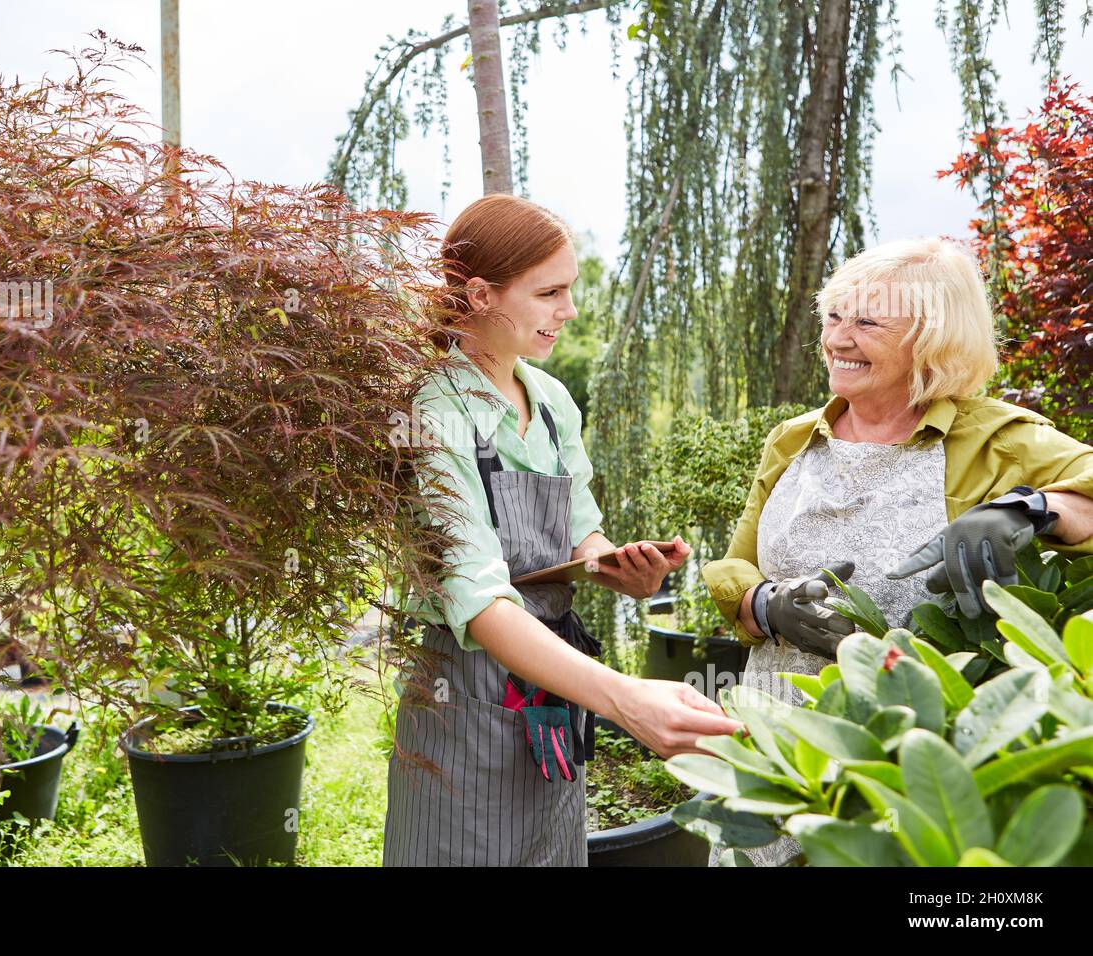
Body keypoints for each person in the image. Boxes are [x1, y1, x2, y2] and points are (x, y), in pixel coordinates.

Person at [701, 235, 1093, 866]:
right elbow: (733, 564)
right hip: (778, 748)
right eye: (833, 316)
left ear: (933, 339)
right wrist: (761, 602)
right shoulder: (794, 440)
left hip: (916, 751)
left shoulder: (997, 441)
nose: (837, 338)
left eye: (867, 321)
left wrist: (1035, 509)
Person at [382, 194, 742, 867]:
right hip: (463, 697)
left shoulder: (551, 403)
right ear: (482, 295)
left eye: (569, 289)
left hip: (554, 687)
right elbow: (481, 603)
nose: (570, 309)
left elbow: (583, 533)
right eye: (550, 292)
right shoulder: (435, 409)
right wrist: (626, 697)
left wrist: (616, 565)